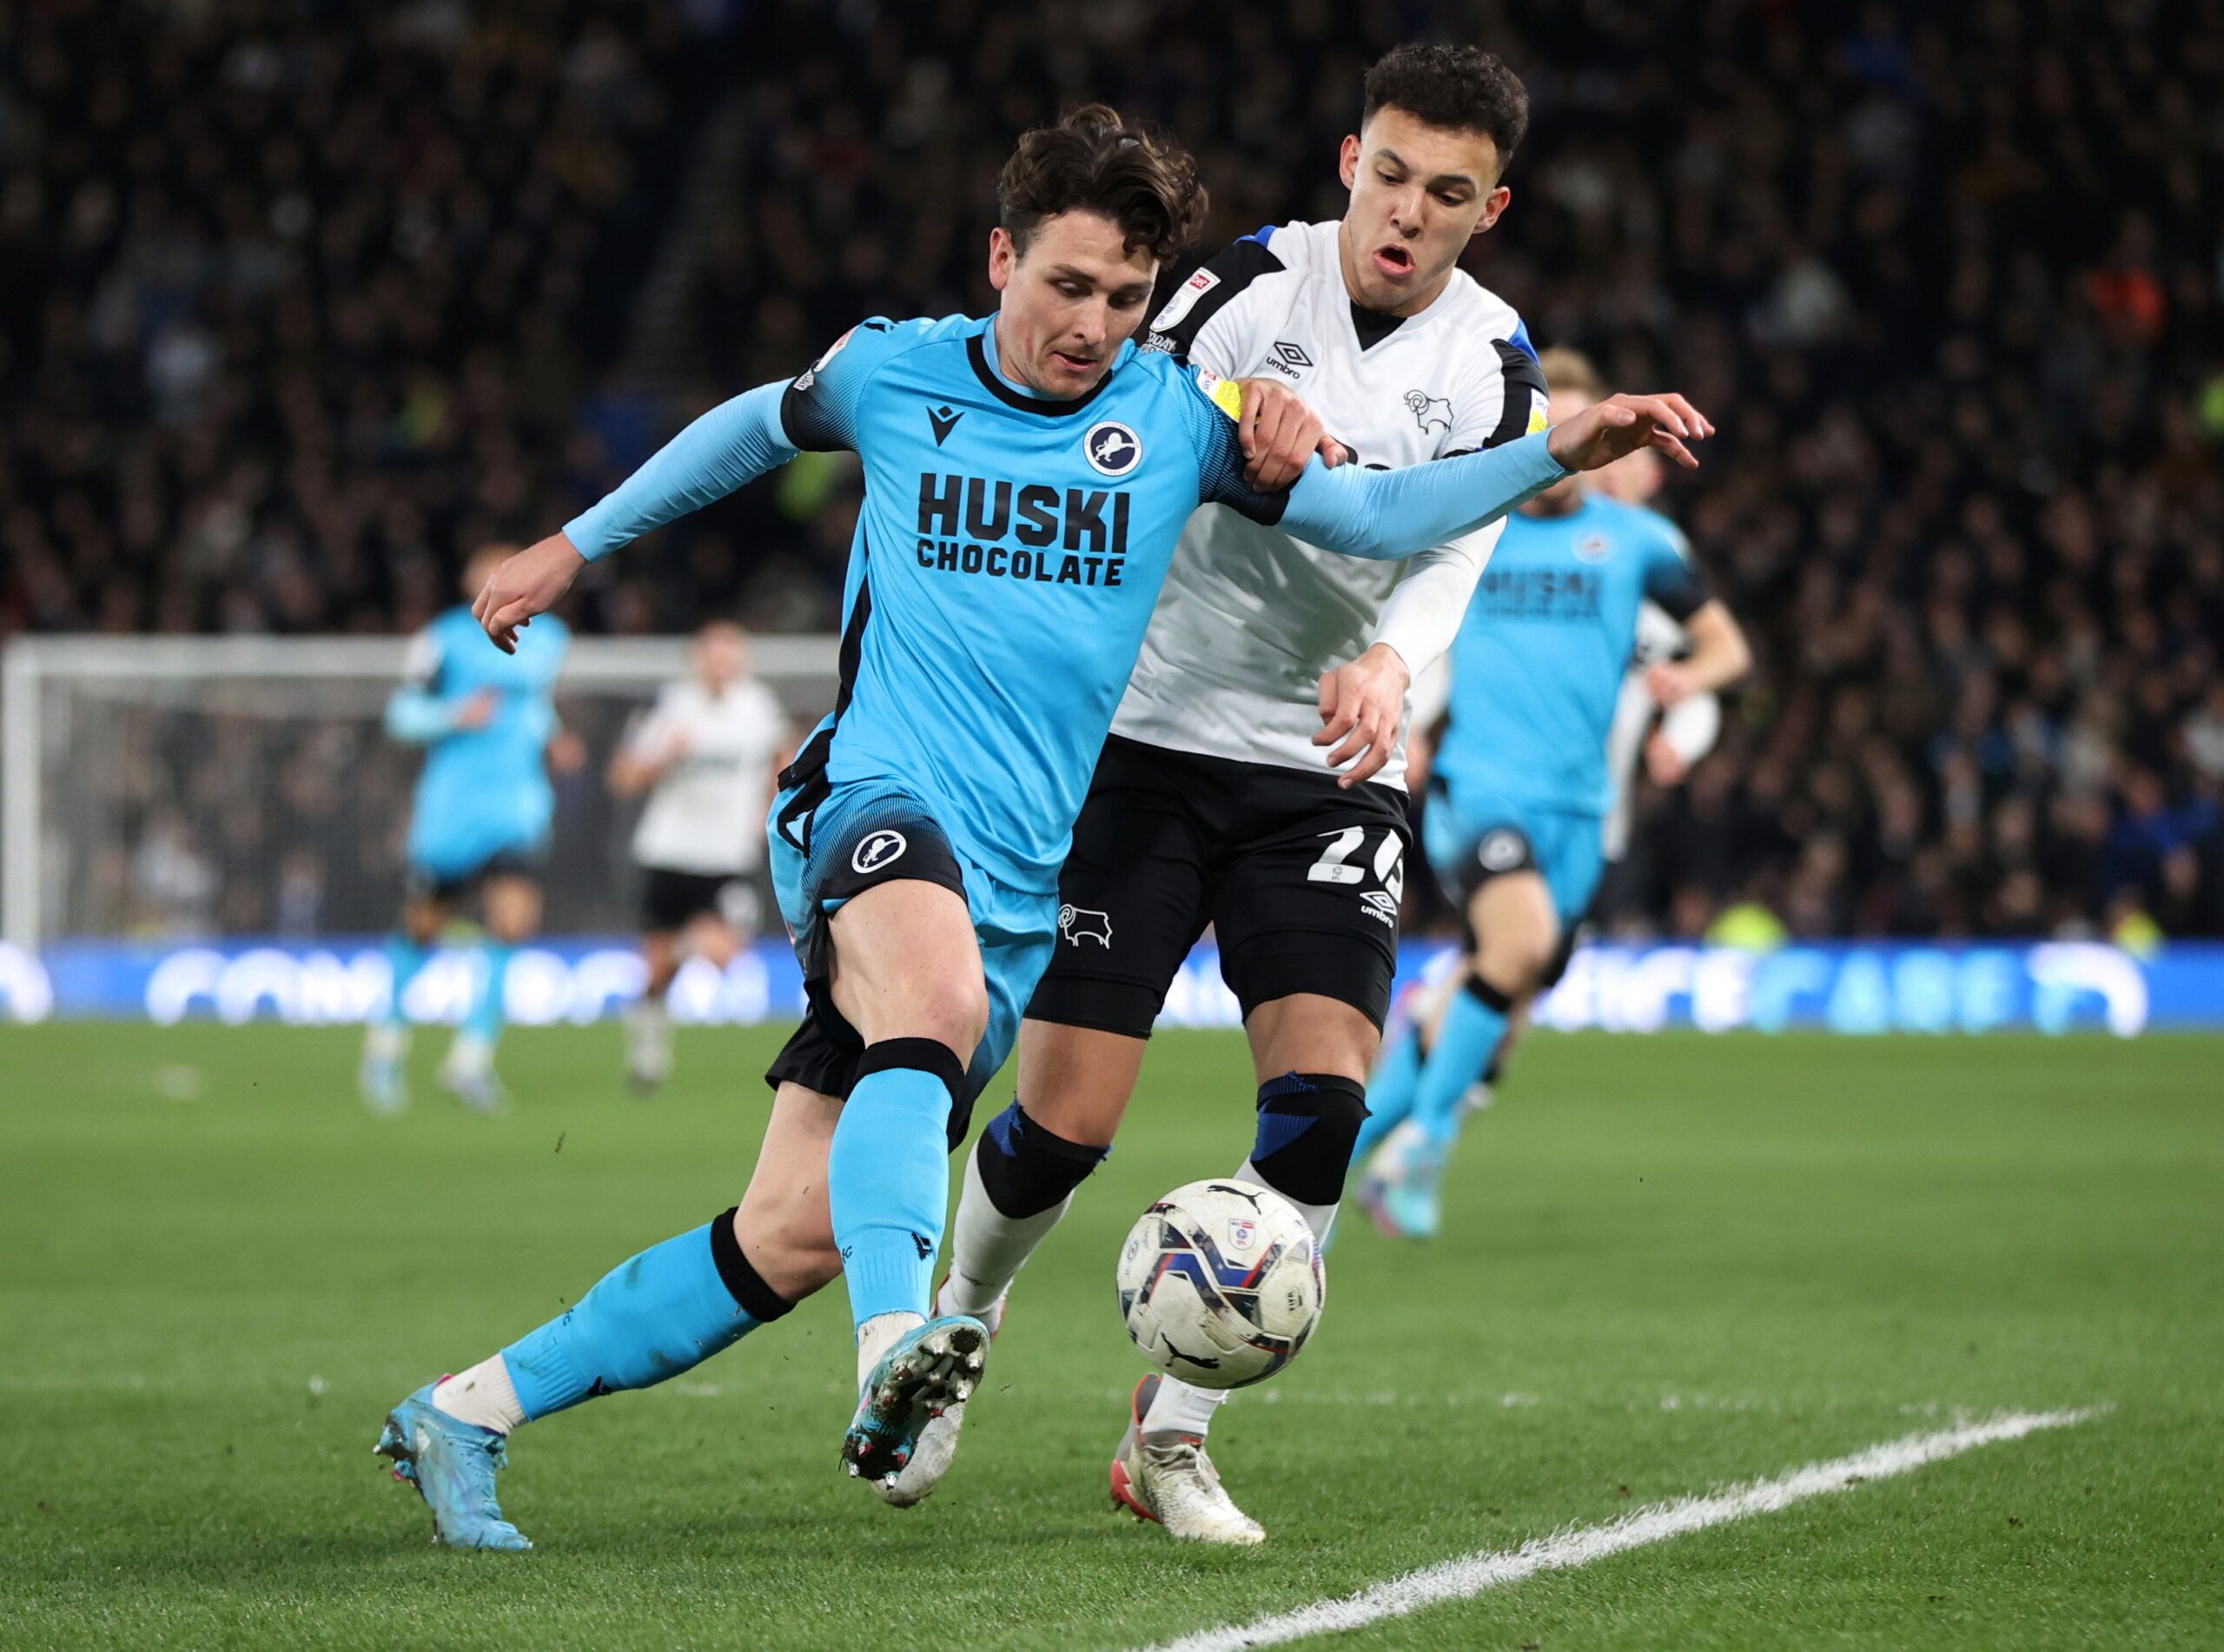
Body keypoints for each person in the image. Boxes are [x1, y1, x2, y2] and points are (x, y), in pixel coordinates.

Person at [371, 104, 1704, 1550]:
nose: (1091, 323)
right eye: (1065, 285)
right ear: (1002, 257)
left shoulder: (1180, 428)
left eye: (1124, 299)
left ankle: (466, 1412)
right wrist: (576, 544)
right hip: (867, 801)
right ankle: (905, 1358)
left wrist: (1555, 445)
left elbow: (1383, 528)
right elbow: (748, 428)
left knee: (789, 1236)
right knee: (928, 1018)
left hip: (1016, 885)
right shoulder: (896, 372)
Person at [884, 42, 1546, 1544]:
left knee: (1322, 1111)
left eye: (1448, 194)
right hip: (1145, 739)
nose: (1408, 213)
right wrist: (1249, 399)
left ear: (1487, 211)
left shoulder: (1496, 364)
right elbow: (1127, 393)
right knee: (1065, 1122)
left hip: (1323, 768)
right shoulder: (1246, 284)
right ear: (1347, 161)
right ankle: (957, 1334)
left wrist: (1391, 665)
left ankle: (1172, 1435)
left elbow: (1457, 543)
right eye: (1390, 175)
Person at [1352, 347, 1751, 1239]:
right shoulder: (1472, 522)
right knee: (1518, 942)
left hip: (1583, 817)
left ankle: (1331, 1177)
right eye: (1550, 431)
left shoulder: (1638, 544)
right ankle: (1427, 1145)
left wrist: (1693, 680)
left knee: (1506, 984)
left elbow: (1728, 646)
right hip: (1480, 792)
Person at [358, 545, 577, 1115]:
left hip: (518, 809)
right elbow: (400, 716)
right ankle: (385, 1049)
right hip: (453, 814)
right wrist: (453, 715)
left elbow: (533, 705)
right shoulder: (442, 639)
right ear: (470, 581)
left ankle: (471, 1060)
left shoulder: (549, 639)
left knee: (511, 924)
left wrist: (554, 736)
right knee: (424, 930)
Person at [609, 619, 791, 1093]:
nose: (722, 664)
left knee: (726, 953)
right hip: (668, 851)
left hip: (726, 855)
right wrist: (662, 757)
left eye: (731, 655)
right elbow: (623, 778)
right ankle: (648, 1054)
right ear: (698, 658)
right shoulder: (670, 708)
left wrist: (770, 806)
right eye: (714, 654)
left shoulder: (758, 707)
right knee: (654, 976)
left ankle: (685, 944)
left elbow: (783, 761)